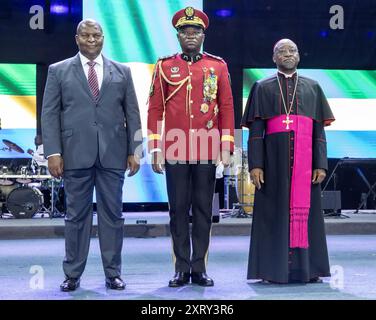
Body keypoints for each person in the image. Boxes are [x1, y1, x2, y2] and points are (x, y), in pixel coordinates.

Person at [41, 19, 142, 291]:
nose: (91, 40)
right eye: (85, 35)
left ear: (103, 38)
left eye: (96, 35)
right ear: (77, 38)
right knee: (76, 217)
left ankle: (113, 274)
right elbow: (49, 114)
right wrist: (53, 152)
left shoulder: (122, 71)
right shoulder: (58, 71)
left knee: (113, 216)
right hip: (74, 155)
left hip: (113, 155)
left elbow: (132, 113)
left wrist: (136, 150)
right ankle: (72, 274)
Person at [147, 7, 235, 287]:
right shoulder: (164, 65)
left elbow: (226, 108)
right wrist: (155, 147)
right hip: (175, 148)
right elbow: (155, 109)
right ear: (178, 35)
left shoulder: (217, 66)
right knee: (178, 209)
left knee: (201, 210)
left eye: (195, 31)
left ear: (203, 34)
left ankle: (199, 268)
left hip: (207, 148)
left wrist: (226, 146)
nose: (190, 36)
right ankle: (180, 268)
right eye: (185, 32)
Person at [241, 39, 335, 284]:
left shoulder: (313, 87)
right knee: (273, 215)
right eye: (281, 51)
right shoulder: (262, 87)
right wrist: (256, 164)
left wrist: (321, 164)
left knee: (307, 216)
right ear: (274, 57)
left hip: (306, 166)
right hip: (273, 164)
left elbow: (318, 132)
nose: (287, 54)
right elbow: (256, 131)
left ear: (299, 55)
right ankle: (273, 271)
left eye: (292, 50)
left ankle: (308, 269)